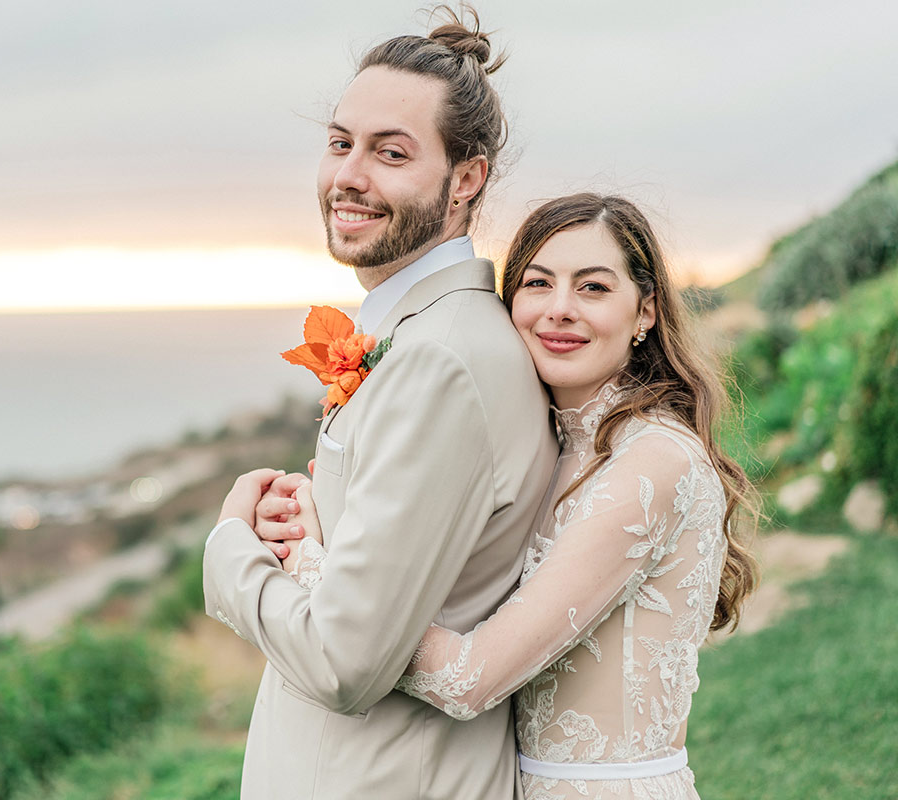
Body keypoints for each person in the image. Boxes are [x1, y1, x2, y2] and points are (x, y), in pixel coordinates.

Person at [276, 193, 759, 799]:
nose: (559, 310)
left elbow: (469, 680)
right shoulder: (554, 446)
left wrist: (310, 559)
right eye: (537, 283)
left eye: (593, 289)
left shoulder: (652, 462)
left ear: (646, 311)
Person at [203, 7, 560, 800]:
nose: (348, 178)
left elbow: (345, 660)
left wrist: (231, 552)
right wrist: (308, 527)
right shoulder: (421, 336)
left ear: (466, 179)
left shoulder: (441, 362)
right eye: (340, 144)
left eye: (390, 153)